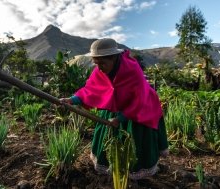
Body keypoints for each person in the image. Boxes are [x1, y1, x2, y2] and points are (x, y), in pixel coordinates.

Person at [60, 38, 169, 180]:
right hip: (114, 105)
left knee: (136, 141)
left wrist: (121, 118)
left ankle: (135, 172)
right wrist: (72, 100)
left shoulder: (132, 70)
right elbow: (91, 89)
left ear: (114, 58)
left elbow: (139, 99)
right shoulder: (100, 70)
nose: (99, 68)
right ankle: (110, 167)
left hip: (141, 107)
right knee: (108, 137)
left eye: (102, 63)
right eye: (96, 63)